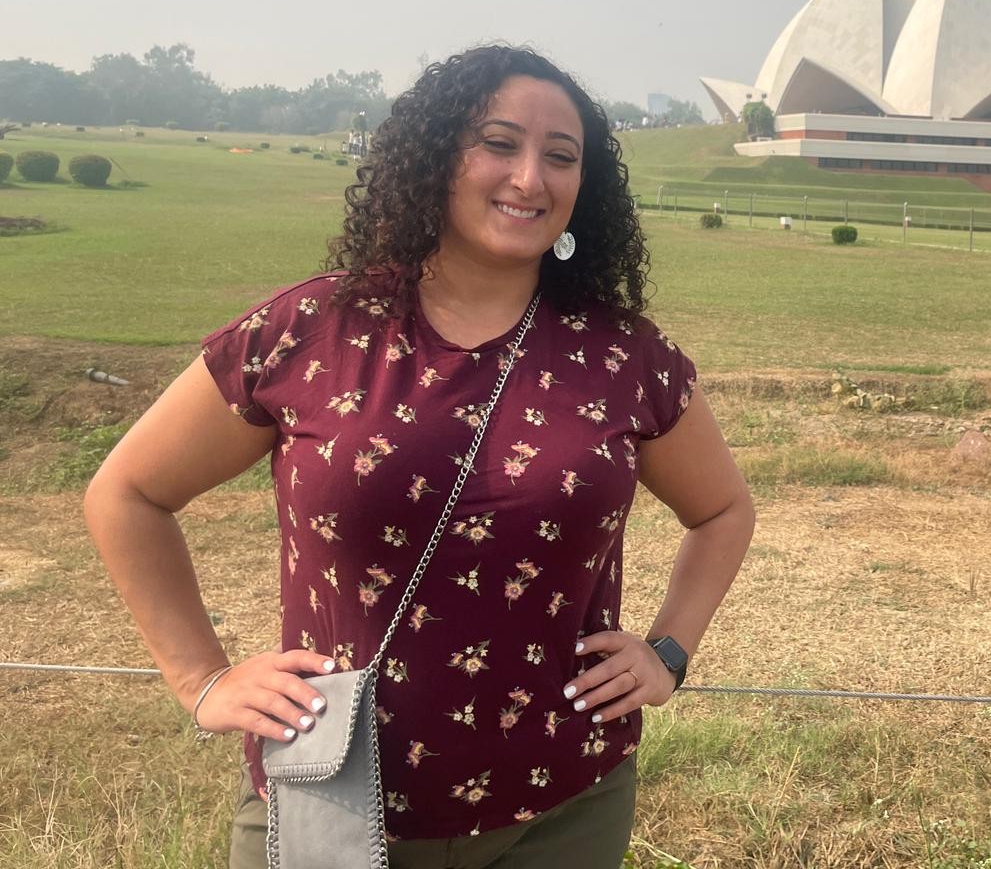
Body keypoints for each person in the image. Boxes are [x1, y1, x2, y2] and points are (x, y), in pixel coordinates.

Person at [84, 46, 757, 868]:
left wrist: (669, 652)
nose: (529, 178)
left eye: (560, 156)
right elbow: (126, 493)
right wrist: (202, 681)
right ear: (437, 156)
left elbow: (723, 511)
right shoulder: (311, 330)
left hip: (567, 804)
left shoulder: (624, 357)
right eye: (499, 143)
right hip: (334, 798)